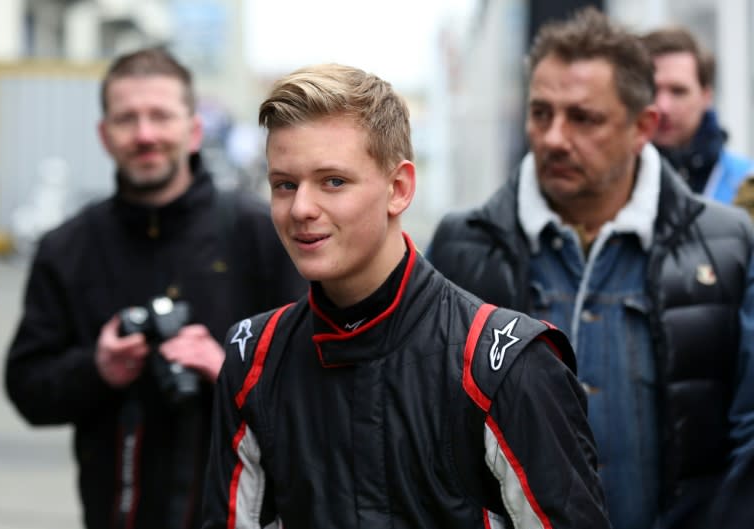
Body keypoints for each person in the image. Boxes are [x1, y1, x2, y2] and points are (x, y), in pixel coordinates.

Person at [201, 63, 611, 528]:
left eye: (333, 181)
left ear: (399, 189)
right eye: (284, 185)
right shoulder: (252, 356)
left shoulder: (505, 363)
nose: (301, 208)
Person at [428, 8, 754, 529]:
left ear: (642, 126)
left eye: (584, 118)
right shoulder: (465, 245)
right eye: (541, 113)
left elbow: (746, 437)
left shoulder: (727, 244)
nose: (555, 138)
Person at [3, 47, 306, 529]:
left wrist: (230, 372)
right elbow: (26, 388)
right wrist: (97, 369)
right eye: (127, 119)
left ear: (194, 129)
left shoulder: (263, 236)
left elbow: (319, 389)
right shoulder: (67, 248)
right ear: (104, 135)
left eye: (161, 116)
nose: (145, 134)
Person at [640, 26, 754, 204]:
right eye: (652, 90)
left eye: (678, 91)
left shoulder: (746, 183)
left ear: (706, 96)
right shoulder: (605, 184)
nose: (663, 107)